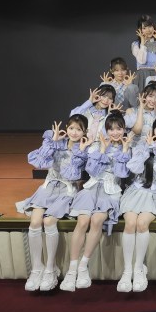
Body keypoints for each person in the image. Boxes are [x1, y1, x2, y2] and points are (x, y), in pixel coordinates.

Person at [17, 115, 91, 291]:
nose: (74, 132)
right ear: (66, 128)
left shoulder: (84, 149)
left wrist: (79, 152)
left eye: (78, 129)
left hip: (66, 191)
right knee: (35, 222)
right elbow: (39, 163)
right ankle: (37, 269)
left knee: (49, 221)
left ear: (84, 132)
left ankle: (51, 269)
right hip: (48, 187)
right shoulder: (56, 142)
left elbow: (73, 174)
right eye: (71, 128)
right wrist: (52, 142)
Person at [60, 111, 132, 292]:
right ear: (106, 130)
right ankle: (72, 270)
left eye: (118, 129)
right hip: (92, 188)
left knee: (97, 220)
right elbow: (92, 171)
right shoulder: (96, 146)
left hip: (110, 191)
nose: (115, 132)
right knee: (83, 221)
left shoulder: (127, 148)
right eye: (111, 129)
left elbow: (122, 174)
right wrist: (102, 150)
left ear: (124, 130)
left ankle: (83, 266)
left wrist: (124, 150)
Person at [118, 116, 156, 292]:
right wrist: (147, 149)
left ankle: (139, 269)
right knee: (130, 224)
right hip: (135, 192)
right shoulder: (143, 146)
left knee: (142, 223)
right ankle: (127, 271)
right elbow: (134, 168)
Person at [131, 15, 156, 92]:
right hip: (141, 76)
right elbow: (142, 61)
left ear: (154, 26)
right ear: (140, 30)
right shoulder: (135, 45)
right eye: (144, 28)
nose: (148, 30)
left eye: (150, 26)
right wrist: (143, 43)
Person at [124, 81, 156, 147]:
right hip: (132, 148)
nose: (153, 100)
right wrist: (141, 107)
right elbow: (137, 130)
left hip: (150, 149)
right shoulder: (131, 111)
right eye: (150, 96)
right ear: (144, 95)